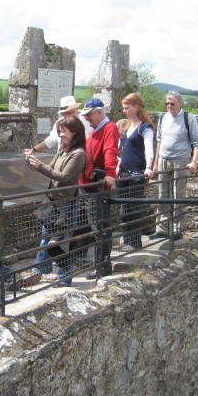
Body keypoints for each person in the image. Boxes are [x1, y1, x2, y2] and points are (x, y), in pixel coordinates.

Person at [25, 116, 86, 286]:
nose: (61, 135)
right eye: (59, 132)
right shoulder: (63, 149)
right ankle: (39, 271)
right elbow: (50, 168)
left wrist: (39, 166)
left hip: (66, 204)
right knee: (47, 237)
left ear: (74, 132)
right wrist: (31, 161)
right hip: (53, 202)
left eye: (63, 132)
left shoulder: (79, 154)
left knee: (62, 243)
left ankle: (63, 278)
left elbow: (63, 177)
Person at [150, 91, 198, 240]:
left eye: (172, 103)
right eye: (167, 103)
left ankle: (177, 229)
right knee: (162, 194)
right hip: (164, 159)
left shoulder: (188, 118)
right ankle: (162, 228)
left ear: (180, 104)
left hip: (181, 159)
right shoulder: (163, 118)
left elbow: (197, 142)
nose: (169, 106)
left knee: (178, 193)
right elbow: (159, 141)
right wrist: (155, 163)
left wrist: (194, 161)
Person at [79, 98, 119, 279]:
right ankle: (98, 263)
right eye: (86, 115)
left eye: (89, 115)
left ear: (99, 112)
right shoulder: (96, 130)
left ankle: (103, 266)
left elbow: (110, 151)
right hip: (88, 185)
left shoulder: (108, 128)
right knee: (95, 225)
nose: (87, 118)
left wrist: (110, 173)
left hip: (97, 186)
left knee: (99, 226)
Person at [116, 93, 155, 250]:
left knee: (132, 209)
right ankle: (128, 241)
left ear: (137, 107)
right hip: (123, 174)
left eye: (127, 108)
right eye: (124, 108)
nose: (125, 111)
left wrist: (149, 167)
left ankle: (134, 242)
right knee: (123, 210)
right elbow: (123, 150)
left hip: (136, 174)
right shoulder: (127, 127)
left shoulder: (145, 127)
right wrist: (118, 164)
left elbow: (149, 150)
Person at [23, 95, 91, 156]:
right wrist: (34, 149)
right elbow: (50, 140)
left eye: (72, 112)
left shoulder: (85, 122)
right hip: (62, 160)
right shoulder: (60, 123)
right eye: (67, 113)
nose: (71, 115)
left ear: (76, 110)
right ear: (63, 114)